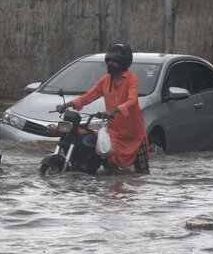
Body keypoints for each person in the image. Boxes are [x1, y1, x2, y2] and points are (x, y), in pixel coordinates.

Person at [55, 43, 150, 174]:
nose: (110, 64)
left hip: (134, 133)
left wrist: (113, 110)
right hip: (114, 132)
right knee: (109, 166)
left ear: (122, 63)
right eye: (108, 61)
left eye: (114, 62)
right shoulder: (105, 80)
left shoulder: (131, 78)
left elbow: (132, 101)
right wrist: (68, 105)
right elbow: (88, 97)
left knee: (143, 173)